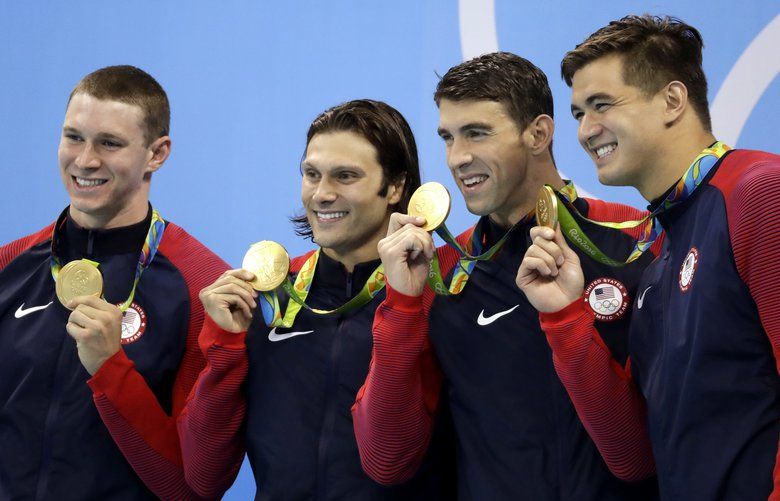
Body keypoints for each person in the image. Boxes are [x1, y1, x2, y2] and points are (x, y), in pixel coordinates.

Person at [352, 52, 659, 499]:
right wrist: (400, 307)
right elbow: (386, 461)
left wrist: (565, 322)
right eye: (448, 138)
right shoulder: (440, 274)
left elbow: (638, 458)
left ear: (538, 133)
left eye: (476, 134)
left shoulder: (637, 243)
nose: (457, 158)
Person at [517, 14, 780, 500]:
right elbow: (632, 456)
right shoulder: (659, 250)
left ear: (672, 101)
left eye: (601, 105)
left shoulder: (760, 193)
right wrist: (563, 317)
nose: (585, 131)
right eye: (578, 113)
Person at [178, 99, 455, 499]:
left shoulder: (437, 295)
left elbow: (391, 462)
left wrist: (403, 303)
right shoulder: (265, 298)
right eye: (312, 174)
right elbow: (204, 476)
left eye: (345, 176)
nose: (322, 194)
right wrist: (223, 350)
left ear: (394, 186)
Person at [0, 65, 228, 499]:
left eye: (109, 143)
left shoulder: (202, 287)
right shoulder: (8, 266)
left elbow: (190, 488)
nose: (85, 160)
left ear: (157, 154)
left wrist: (109, 368)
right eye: (73, 137)